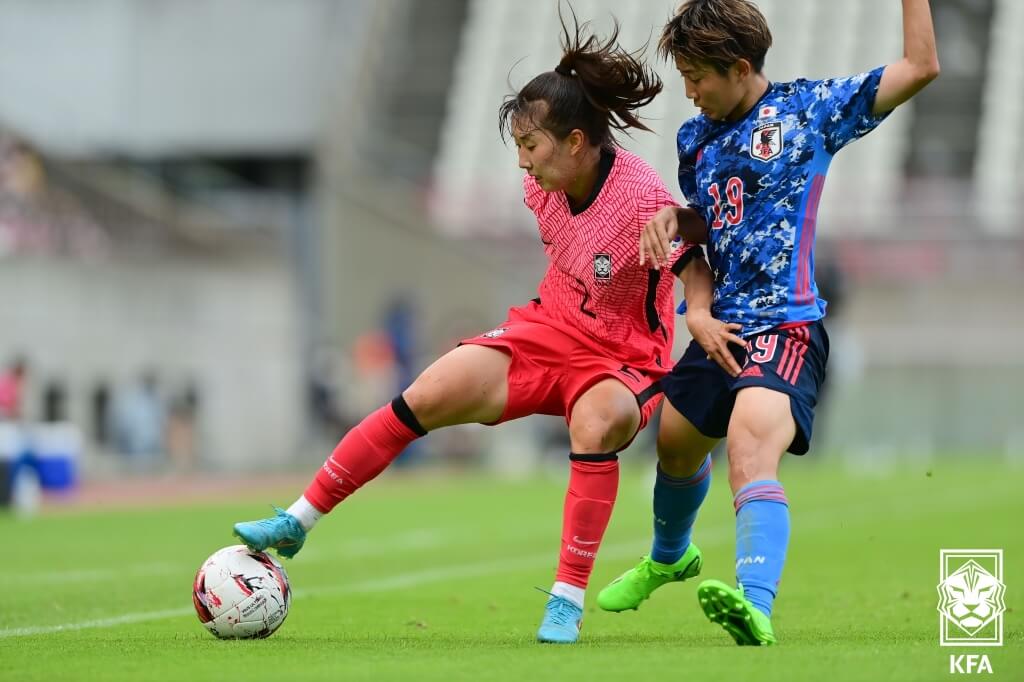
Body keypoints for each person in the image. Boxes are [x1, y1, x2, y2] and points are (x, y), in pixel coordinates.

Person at [233, 12, 722, 645]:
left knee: (596, 421)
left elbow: (692, 262)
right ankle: (297, 521)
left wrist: (701, 311)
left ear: (576, 143)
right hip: (548, 330)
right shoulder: (543, 188)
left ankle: (567, 600)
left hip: (625, 358)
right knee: (428, 392)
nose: (522, 163)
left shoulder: (639, 196)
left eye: (531, 147)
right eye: (517, 147)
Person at [596, 0, 939, 646]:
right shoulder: (695, 138)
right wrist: (680, 236)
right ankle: (670, 556)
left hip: (786, 326)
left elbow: (921, 67)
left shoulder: (810, 111)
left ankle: (755, 605)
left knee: (751, 446)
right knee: (674, 443)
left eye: (697, 76)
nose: (689, 91)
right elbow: (709, 226)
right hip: (719, 324)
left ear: (741, 67)